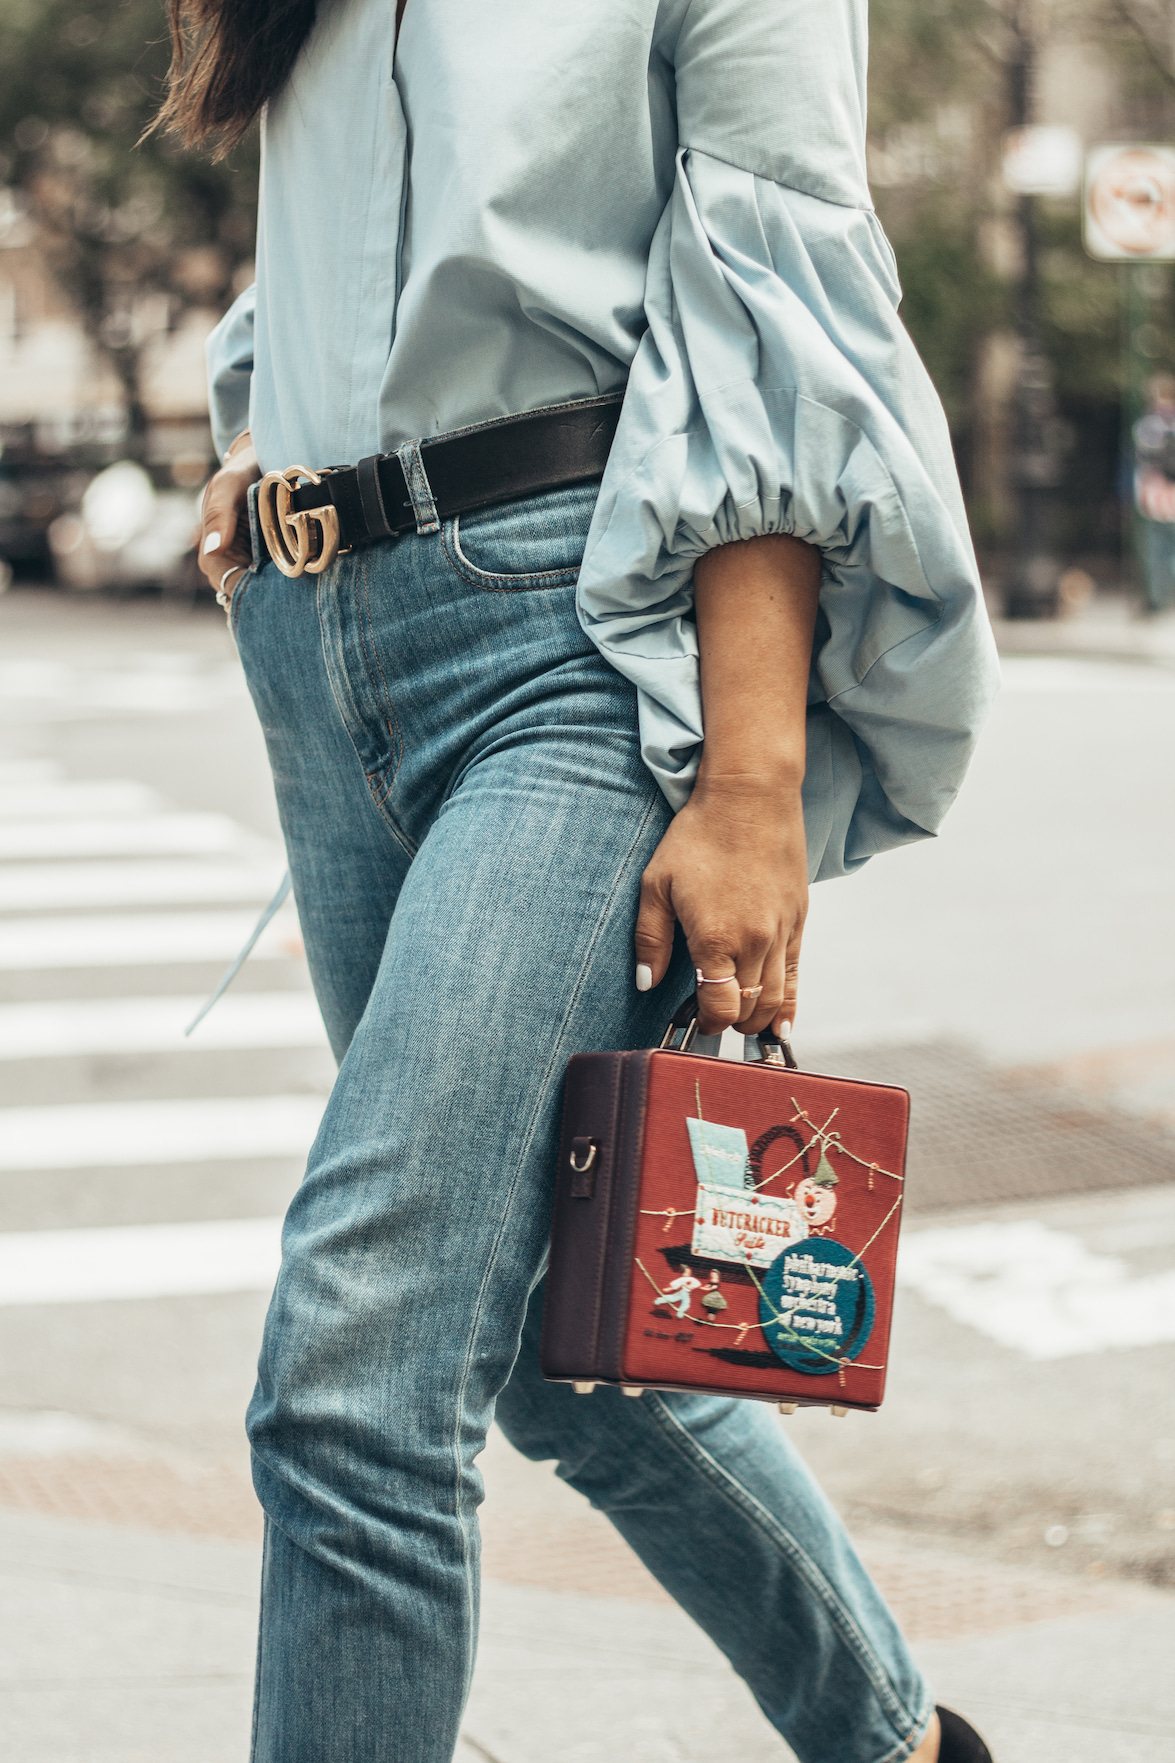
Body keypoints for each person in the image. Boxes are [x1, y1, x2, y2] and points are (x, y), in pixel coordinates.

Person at [157, 2, 1000, 1759]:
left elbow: (770, 289)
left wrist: (753, 780)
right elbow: (338, 226)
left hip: (575, 635)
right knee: (552, 1332)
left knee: (358, 1370)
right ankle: (898, 1739)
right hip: (323, 640)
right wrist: (262, 443)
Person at [1133, 373, 1175, 614]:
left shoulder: (1148, 425)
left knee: (1155, 548)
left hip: (1154, 496)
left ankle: (1158, 598)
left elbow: (1140, 462)